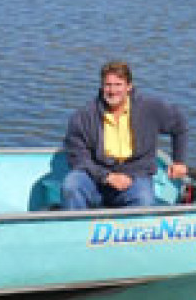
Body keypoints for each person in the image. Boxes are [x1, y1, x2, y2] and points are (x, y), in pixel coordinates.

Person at [62, 61, 188, 210]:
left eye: (118, 85)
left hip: (135, 177)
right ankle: (79, 223)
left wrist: (179, 161)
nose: (112, 90)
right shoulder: (84, 116)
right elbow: (77, 156)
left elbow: (179, 124)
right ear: (101, 87)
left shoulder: (149, 108)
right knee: (71, 186)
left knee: (144, 199)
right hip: (96, 177)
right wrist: (107, 177)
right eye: (108, 85)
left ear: (129, 87)